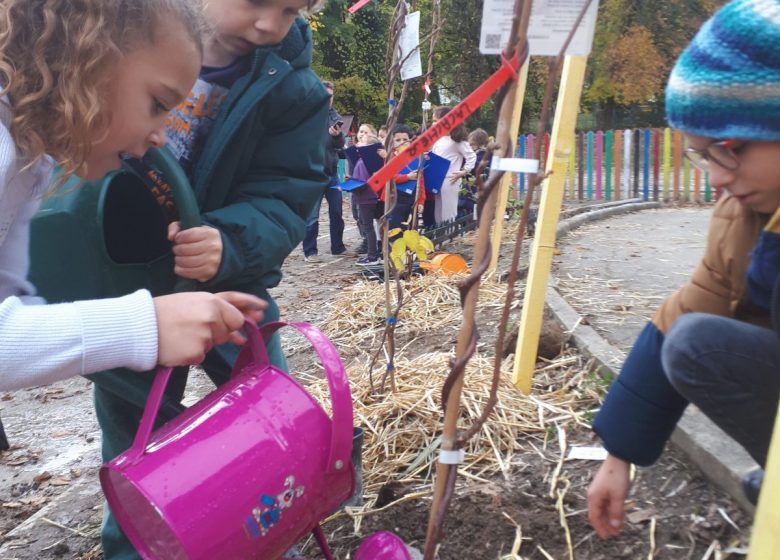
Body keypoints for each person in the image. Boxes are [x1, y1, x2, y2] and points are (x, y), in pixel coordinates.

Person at [94, 0, 331, 557]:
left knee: (270, 403)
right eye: (257, 3)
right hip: (129, 278)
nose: (271, 25)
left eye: (292, 9)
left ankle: (280, 520)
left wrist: (227, 241)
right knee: (134, 427)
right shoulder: (125, 39)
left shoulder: (293, 89)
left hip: (227, 278)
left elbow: (285, 194)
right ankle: (137, 544)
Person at [587, 0, 780, 540]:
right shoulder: (744, 213)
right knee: (697, 342)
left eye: (724, 151)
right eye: (701, 156)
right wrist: (618, 453)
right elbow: (690, 312)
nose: (715, 179)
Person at [0, 0, 266, 391]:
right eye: (158, 104)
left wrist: (171, 316)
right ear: (85, 55)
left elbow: (11, 301)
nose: (161, 135)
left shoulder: (32, 162)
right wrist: (147, 325)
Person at [302, 80, 348, 262]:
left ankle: (338, 247)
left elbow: (339, 144)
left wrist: (336, 136)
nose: (327, 100)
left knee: (336, 212)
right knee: (312, 215)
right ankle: (310, 251)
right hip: (312, 174)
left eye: (330, 97)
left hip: (332, 173)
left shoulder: (334, 116)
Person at [431, 106, 476, 225]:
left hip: (450, 179)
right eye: (433, 121)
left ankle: (449, 235)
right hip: (438, 179)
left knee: (449, 211)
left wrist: (464, 171)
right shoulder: (438, 139)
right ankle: (440, 235)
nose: (433, 123)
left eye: (436, 120)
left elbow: (471, 157)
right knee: (438, 210)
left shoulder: (457, 140)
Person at [350, 124, 383, 266]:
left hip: (365, 198)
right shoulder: (362, 161)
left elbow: (364, 182)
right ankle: (373, 254)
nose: (359, 143)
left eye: (363, 142)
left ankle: (372, 256)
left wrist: (352, 187)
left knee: (368, 227)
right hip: (365, 197)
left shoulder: (365, 162)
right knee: (368, 226)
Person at [387, 124, 425, 234]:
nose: (402, 142)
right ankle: (395, 249)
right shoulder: (390, 158)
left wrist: (421, 201)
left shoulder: (416, 158)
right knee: (395, 227)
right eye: (398, 140)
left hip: (412, 198)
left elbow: (421, 181)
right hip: (396, 198)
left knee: (411, 227)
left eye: (405, 139)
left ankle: (410, 250)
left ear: (410, 141)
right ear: (393, 142)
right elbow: (389, 177)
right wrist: (407, 177)